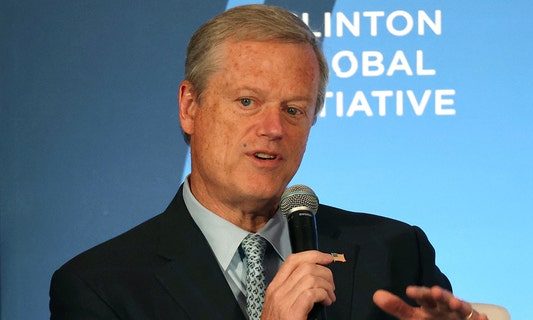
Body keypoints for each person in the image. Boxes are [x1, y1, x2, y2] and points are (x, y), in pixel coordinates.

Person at [49, 4, 488, 320]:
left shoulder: (393, 251)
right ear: (190, 106)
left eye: (294, 110)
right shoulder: (101, 289)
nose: (273, 128)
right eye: (247, 101)